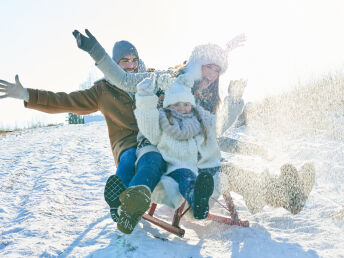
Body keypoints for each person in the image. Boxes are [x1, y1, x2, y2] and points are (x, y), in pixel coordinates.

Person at [73, 29, 315, 215]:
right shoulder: (168, 79)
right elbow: (125, 79)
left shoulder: (200, 101)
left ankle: (286, 191)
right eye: (206, 68)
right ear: (195, 66)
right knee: (224, 169)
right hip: (172, 160)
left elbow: (216, 134)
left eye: (216, 71)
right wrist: (95, 51)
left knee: (226, 166)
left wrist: (252, 143)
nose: (211, 76)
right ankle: (282, 194)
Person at [0, 39, 168, 233]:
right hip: (126, 143)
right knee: (129, 158)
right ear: (114, 64)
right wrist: (27, 95)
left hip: (152, 139)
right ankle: (119, 199)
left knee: (151, 160)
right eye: (124, 61)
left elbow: (178, 85)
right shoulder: (103, 91)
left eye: (134, 59)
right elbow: (66, 101)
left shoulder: (151, 79)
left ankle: (133, 200)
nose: (131, 65)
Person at [134, 73, 220, 222]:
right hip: (173, 166)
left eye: (186, 104)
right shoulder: (162, 119)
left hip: (194, 165)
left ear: (191, 104)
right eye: (176, 104)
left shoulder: (197, 118)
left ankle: (199, 202)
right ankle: (196, 202)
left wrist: (234, 101)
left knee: (195, 178)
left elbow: (220, 123)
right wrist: (145, 97)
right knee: (187, 179)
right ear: (168, 105)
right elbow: (148, 124)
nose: (182, 108)